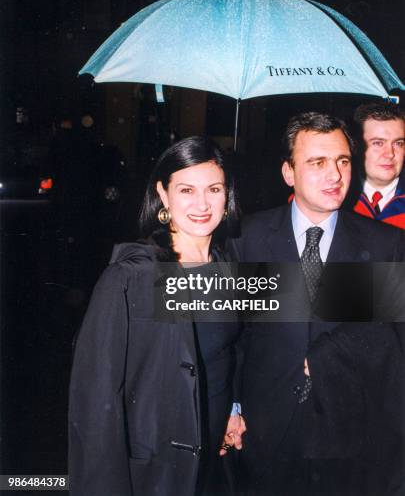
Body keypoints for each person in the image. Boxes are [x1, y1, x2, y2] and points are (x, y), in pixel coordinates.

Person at [228, 112, 405, 496]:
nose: (335, 175)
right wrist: (231, 405)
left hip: (349, 441)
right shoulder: (248, 239)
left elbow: (390, 342)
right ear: (288, 172)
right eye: (317, 162)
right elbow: (232, 335)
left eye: (343, 161)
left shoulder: (383, 245)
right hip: (263, 434)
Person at [69, 136, 246, 496]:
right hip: (157, 474)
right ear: (163, 195)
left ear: (227, 196)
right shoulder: (130, 279)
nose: (201, 203)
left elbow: (228, 354)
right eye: (186, 190)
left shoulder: (228, 266)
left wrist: (233, 408)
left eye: (214, 188)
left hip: (216, 462)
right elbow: (95, 404)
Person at [352, 101, 405, 228]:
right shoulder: (335, 200)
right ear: (356, 147)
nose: (390, 154)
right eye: (378, 143)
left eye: (398, 143)